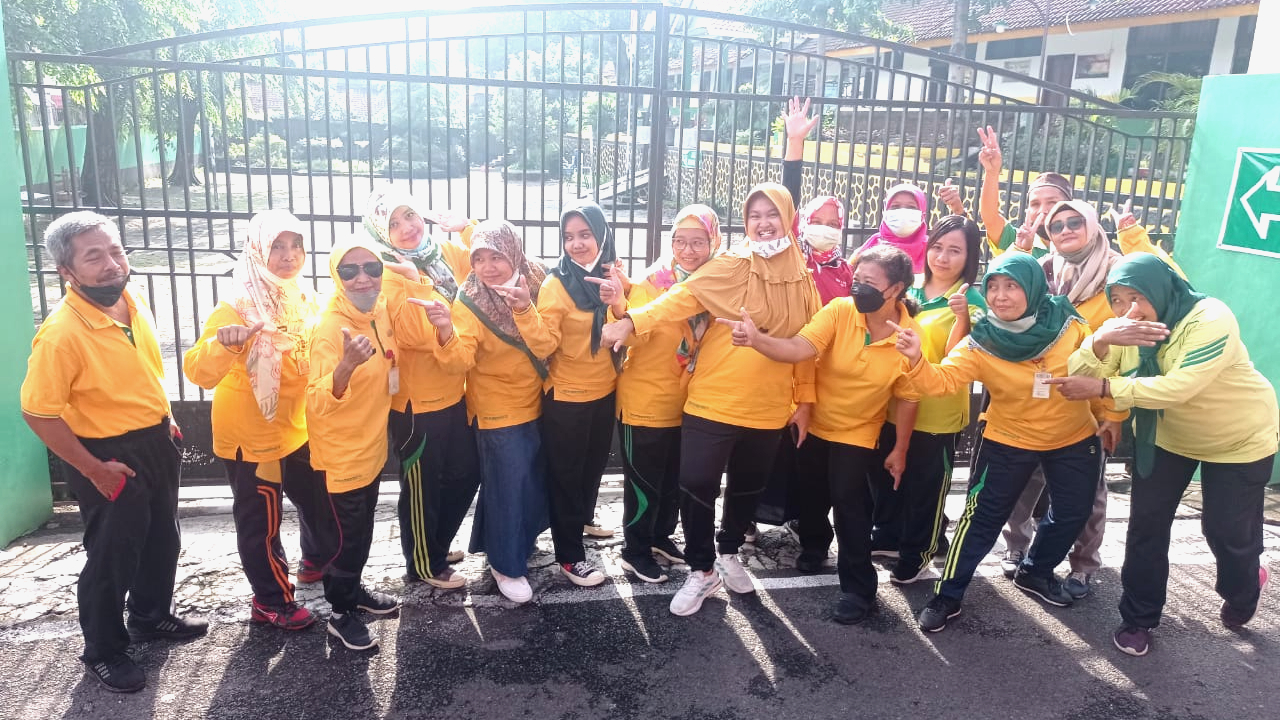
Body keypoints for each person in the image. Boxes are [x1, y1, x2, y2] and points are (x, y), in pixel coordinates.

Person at [600, 182, 820, 617]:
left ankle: (729, 552)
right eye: (754, 215)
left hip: (768, 406)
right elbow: (679, 299)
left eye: (771, 215)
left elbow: (807, 346)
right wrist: (632, 321)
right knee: (696, 481)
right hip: (711, 398)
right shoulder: (730, 265)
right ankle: (701, 569)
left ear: (788, 219)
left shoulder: (803, 280)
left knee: (746, 489)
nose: (763, 223)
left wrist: (805, 401)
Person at [1048, 254, 1278, 657]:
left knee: (1226, 531)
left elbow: (1178, 387)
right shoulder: (1121, 328)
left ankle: (1243, 589)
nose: (1129, 310)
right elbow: (1080, 371)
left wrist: (1106, 389)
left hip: (1238, 439)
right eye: (1117, 300)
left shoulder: (1210, 318)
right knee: (1146, 527)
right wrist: (1100, 341)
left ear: (1160, 289)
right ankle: (1138, 618)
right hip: (1168, 438)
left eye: (1137, 297)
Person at [21, 211, 206, 693]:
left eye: (116, 251)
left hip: (155, 440)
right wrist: (94, 469)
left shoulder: (131, 298)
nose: (111, 264)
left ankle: (150, 615)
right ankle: (103, 650)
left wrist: (165, 420)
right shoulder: (61, 334)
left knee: (162, 537)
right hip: (106, 455)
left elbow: (142, 369)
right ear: (66, 270)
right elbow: (38, 413)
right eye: (94, 257)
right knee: (112, 554)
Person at [892, 252, 1119, 633]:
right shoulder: (981, 342)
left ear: (1033, 287)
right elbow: (943, 381)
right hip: (1008, 439)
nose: (1000, 296)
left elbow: (1098, 367)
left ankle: (1035, 571)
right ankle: (948, 594)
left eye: (1011, 286)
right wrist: (917, 359)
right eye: (993, 286)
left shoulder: (1068, 324)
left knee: (1073, 511)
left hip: (1074, 437)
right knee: (980, 519)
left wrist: (1111, 413)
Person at [722, 245, 922, 624]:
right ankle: (814, 546)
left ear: (896, 289)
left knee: (849, 503)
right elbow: (801, 348)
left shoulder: (909, 336)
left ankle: (859, 590)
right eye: (856, 279)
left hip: (859, 429)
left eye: (869, 282)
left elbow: (909, 398)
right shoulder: (840, 311)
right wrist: (758, 340)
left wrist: (900, 449)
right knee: (812, 490)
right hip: (814, 418)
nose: (858, 288)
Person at [182, 209, 336, 632]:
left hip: (297, 424)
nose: (288, 256)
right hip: (252, 433)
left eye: (296, 245)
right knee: (262, 521)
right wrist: (225, 344)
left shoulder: (302, 295)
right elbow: (197, 371)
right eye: (277, 247)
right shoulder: (236, 306)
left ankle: (315, 561)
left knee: (317, 498)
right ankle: (271, 600)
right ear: (256, 250)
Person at [426, 220, 556, 604]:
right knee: (510, 484)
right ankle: (506, 564)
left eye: (495, 256)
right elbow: (460, 361)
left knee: (524, 481)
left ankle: (512, 541)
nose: (487, 267)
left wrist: (524, 308)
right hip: (497, 407)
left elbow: (547, 345)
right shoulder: (469, 300)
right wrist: (446, 331)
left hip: (537, 398)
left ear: (513, 253)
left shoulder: (537, 277)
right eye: (478, 259)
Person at [306, 233, 422, 650]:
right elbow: (316, 400)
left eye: (371, 268)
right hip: (341, 455)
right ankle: (340, 613)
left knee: (362, 530)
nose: (362, 279)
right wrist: (346, 366)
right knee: (346, 539)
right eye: (349, 271)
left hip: (372, 447)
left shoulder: (378, 310)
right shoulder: (329, 329)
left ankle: (353, 591)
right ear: (335, 276)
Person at [364, 187, 480, 586]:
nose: (406, 228)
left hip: (456, 390)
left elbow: (490, 260)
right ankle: (423, 562)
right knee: (421, 488)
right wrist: (415, 282)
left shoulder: (443, 254)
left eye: (409, 215)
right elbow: (414, 335)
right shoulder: (387, 272)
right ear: (382, 233)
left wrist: (467, 227)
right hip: (416, 404)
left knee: (466, 473)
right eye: (393, 224)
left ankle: (436, 544)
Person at [867, 216, 987, 584]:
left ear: (969, 257)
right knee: (886, 476)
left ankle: (919, 550)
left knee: (926, 487)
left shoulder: (972, 301)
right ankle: (888, 536)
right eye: (937, 247)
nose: (943, 257)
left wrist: (962, 316)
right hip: (892, 404)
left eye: (955, 251)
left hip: (937, 411)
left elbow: (957, 357)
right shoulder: (910, 289)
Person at [614, 204, 721, 583]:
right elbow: (633, 333)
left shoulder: (714, 286)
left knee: (671, 481)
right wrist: (620, 307)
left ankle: (660, 537)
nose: (687, 250)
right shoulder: (653, 282)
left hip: (686, 402)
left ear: (713, 242)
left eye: (697, 242)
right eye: (680, 241)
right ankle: (635, 550)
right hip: (644, 401)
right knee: (643, 484)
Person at [538, 199, 626, 587]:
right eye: (569, 236)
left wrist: (617, 300)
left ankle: (583, 520)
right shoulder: (556, 284)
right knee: (567, 477)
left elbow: (630, 325)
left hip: (605, 389)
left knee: (593, 466)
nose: (577, 244)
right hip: (567, 397)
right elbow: (544, 344)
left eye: (585, 234)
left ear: (601, 235)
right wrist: (525, 312)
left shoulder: (613, 274)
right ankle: (570, 555)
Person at [851, 182, 930, 273]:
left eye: (911, 207)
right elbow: (848, 275)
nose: (902, 212)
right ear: (885, 212)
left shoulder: (932, 249)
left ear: (922, 215)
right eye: (895, 207)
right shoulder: (872, 244)